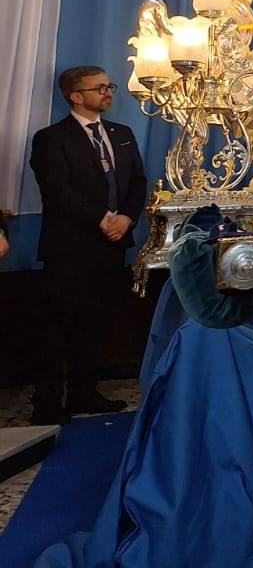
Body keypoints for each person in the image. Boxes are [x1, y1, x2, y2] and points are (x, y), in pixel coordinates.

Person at [29, 65, 147, 424]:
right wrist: (101, 219)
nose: (108, 92)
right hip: (69, 247)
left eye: (109, 86)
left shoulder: (122, 134)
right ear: (75, 96)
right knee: (59, 327)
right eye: (99, 88)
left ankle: (84, 393)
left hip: (111, 248)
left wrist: (126, 218)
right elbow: (57, 190)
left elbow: (138, 183)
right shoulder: (51, 138)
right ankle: (48, 403)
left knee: (96, 325)